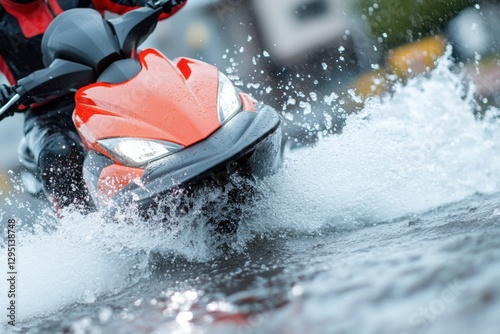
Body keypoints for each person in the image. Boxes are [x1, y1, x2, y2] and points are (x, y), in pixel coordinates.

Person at [0, 0, 186, 211]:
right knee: (58, 153)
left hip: (112, 80)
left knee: (177, 96)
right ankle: (83, 227)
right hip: (49, 111)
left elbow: (137, 4)